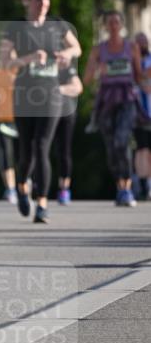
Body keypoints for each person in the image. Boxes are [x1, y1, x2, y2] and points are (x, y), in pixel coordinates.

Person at [0, 0, 81, 224]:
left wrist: (66, 54)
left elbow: (77, 48)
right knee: (26, 149)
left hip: (51, 95)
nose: (43, 3)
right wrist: (29, 58)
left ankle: (43, 203)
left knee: (42, 147)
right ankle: (23, 187)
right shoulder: (16, 27)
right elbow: (5, 63)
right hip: (25, 96)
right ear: (27, 1)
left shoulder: (57, 25)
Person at [83, 11, 143, 206]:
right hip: (106, 99)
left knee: (121, 141)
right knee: (111, 147)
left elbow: (139, 76)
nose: (114, 25)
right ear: (105, 26)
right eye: (110, 22)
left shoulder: (131, 47)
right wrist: (98, 70)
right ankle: (120, 186)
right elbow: (87, 79)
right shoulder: (98, 50)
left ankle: (127, 188)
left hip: (126, 98)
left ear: (122, 24)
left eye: (117, 22)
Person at [54, 56, 83, 204]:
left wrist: (58, 89)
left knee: (63, 150)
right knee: (39, 148)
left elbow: (78, 87)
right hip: (44, 113)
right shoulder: (40, 65)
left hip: (66, 113)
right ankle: (35, 186)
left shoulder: (67, 67)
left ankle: (64, 188)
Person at [0, 66, 19, 203]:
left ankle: (26, 184)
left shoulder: (23, 71)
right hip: (2, 119)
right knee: (6, 154)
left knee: (24, 155)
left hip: (21, 119)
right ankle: (11, 189)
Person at [132, 31, 151, 200]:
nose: (142, 44)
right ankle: (144, 185)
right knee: (142, 149)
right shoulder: (131, 63)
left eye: (143, 41)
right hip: (139, 112)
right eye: (138, 42)